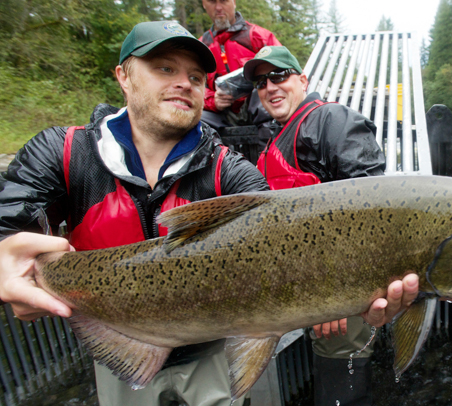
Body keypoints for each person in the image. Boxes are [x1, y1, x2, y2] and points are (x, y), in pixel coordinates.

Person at [0, 21, 420, 406]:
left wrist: (346, 291)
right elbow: (10, 216)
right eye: (165, 68)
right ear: (123, 77)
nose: (184, 83)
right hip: (119, 339)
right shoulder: (61, 151)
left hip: (212, 352)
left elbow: (283, 246)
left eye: (196, 77)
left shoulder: (232, 169)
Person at [242, 46, 452, 406]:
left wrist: (333, 302)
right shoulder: (275, 138)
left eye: (279, 75)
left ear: (303, 80)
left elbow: (368, 208)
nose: (270, 86)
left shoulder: (332, 119)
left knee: (341, 388)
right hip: (299, 285)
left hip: (339, 284)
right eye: (260, 82)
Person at [200, 0, 281, 130]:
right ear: (204, 4)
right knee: (195, 120)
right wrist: (212, 100)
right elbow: (190, 85)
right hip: (222, 115)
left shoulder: (259, 36)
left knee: (261, 93)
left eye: (224, 1)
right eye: (212, 1)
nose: (219, 7)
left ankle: (269, 149)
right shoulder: (201, 46)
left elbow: (286, 70)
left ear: (234, 2)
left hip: (261, 110)